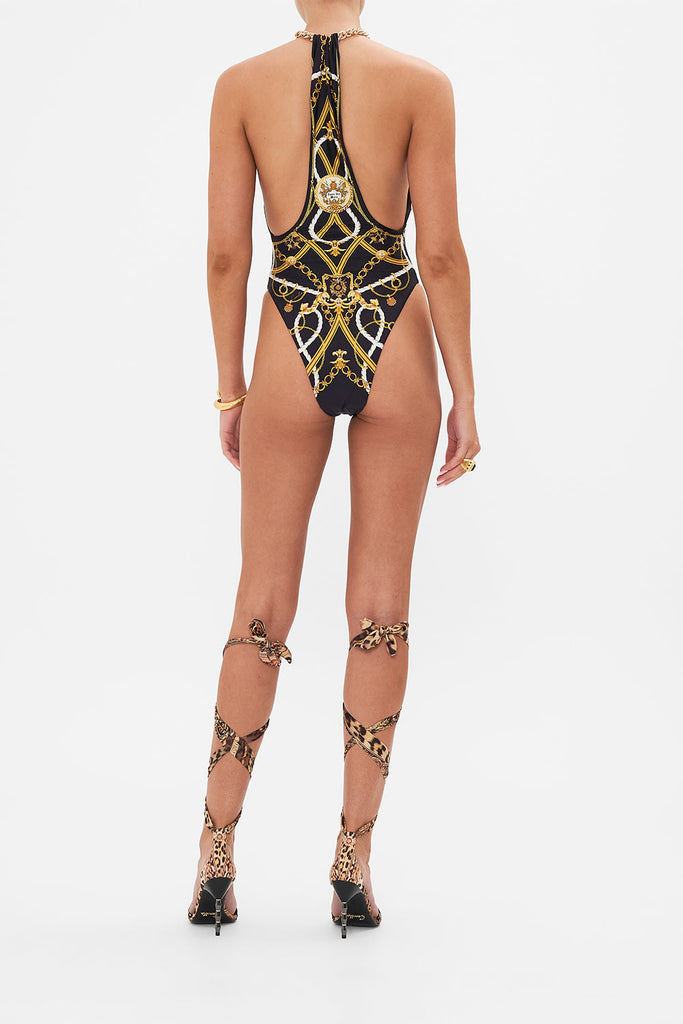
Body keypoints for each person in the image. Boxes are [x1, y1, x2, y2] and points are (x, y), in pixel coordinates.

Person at [188, 0, 480, 937]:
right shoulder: (421, 85)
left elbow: (228, 255)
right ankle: (352, 857)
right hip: (396, 337)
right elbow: (439, 252)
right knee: (380, 608)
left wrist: (231, 390)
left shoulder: (240, 86)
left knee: (260, 602)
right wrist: (464, 393)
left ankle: (215, 853)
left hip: (290, 335)